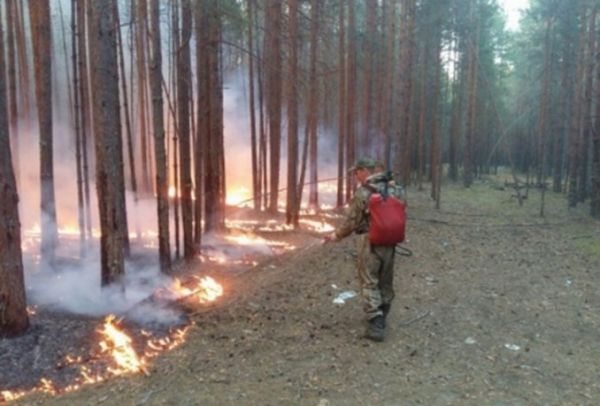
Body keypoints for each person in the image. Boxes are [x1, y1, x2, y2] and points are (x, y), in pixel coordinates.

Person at [324, 157, 406, 342]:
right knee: (385, 278)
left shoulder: (363, 192)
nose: (355, 175)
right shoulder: (396, 188)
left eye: (356, 172)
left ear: (364, 171)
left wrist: (336, 236)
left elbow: (351, 221)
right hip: (390, 241)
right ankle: (383, 312)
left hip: (368, 241)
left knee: (369, 280)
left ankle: (376, 323)